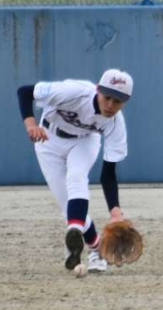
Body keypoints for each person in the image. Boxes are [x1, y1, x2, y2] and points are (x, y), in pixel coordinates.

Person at [16, 68, 133, 274]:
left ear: (125, 102)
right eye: (107, 97)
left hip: (84, 141)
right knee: (67, 206)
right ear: (98, 90)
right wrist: (31, 124)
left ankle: (75, 232)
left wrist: (116, 213)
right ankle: (96, 247)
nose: (110, 105)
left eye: (117, 101)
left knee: (77, 177)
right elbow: (24, 92)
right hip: (48, 138)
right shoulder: (74, 92)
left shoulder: (116, 123)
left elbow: (108, 174)